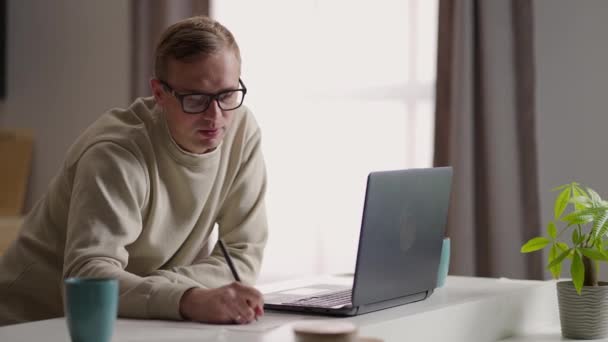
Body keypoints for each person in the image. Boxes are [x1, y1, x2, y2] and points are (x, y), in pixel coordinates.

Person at [0, 16, 268, 326]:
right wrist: (188, 297)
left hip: (130, 319)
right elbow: (89, 277)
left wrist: (161, 291)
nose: (215, 116)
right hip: (32, 324)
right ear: (159, 93)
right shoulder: (114, 153)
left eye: (226, 94)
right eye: (195, 99)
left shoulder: (242, 129)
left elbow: (242, 257)